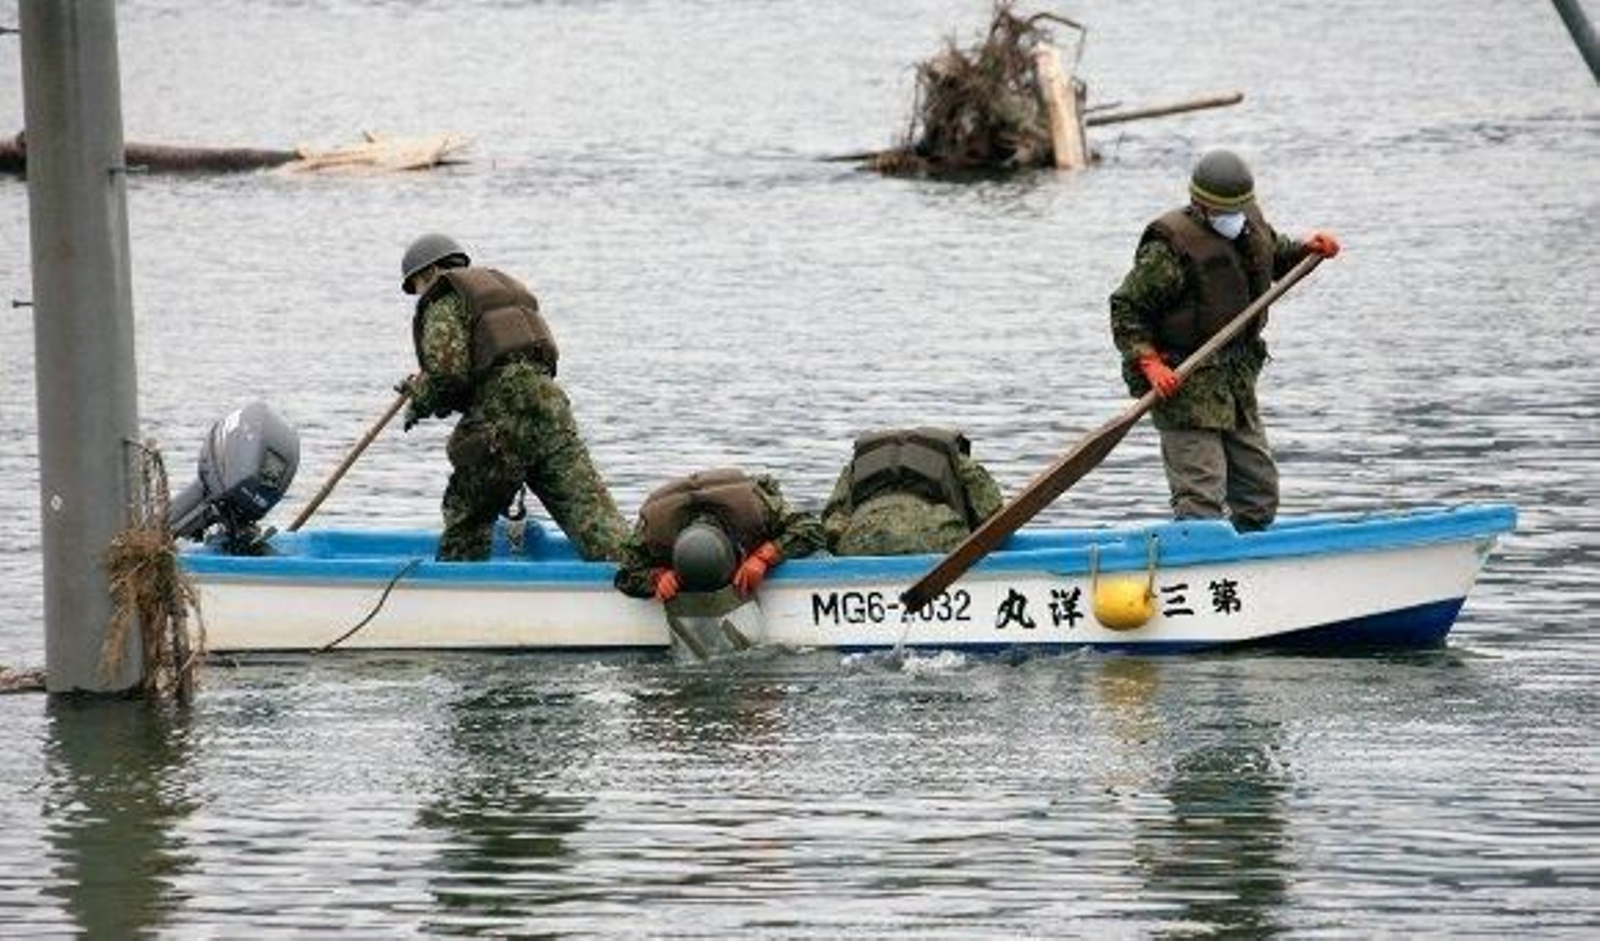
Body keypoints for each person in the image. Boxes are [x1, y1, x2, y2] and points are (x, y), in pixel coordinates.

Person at [1108, 149, 1340, 532]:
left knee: (1258, 495)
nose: (1232, 218)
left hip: (1234, 379)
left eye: (1238, 209)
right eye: (1222, 211)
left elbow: (1271, 254)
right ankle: (1198, 564)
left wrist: (1306, 249)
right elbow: (1127, 307)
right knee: (1201, 499)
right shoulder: (1168, 249)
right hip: (1184, 381)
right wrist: (1149, 363)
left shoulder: (1247, 223)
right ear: (1200, 205)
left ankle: (1244, 568)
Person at [398, 232, 627, 561]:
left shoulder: (444, 299)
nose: (420, 293)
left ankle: (456, 594)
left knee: (468, 515)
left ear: (428, 273)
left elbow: (449, 374)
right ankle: (633, 576)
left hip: (503, 412)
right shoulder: (499, 292)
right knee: (591, 516)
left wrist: (419, 399)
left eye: (416, 286)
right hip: (548, 404)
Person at [613, 468, 824, 600]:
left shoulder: (756, 509)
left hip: (734, 495)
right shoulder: (655, 529)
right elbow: (625, 572)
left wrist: (764, 557)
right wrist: (657, 577)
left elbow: (811, 527)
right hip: (672, 501)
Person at [821, 427, 1005, 555]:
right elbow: (993, 515)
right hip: (934, 536)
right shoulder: (956, 458)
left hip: (861, 541)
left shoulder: (858, 462)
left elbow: (832, 521)